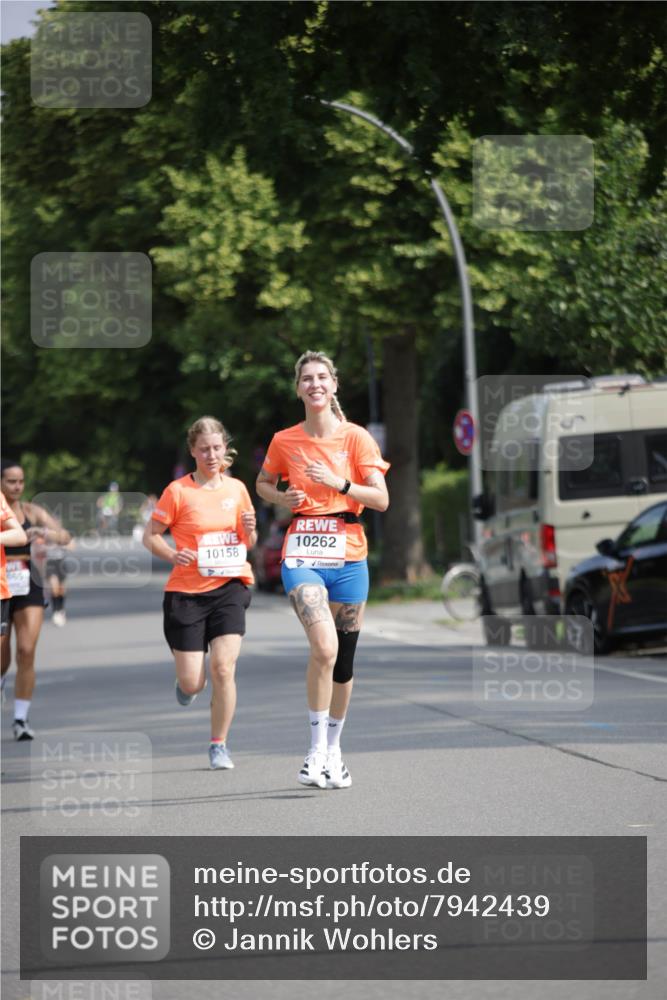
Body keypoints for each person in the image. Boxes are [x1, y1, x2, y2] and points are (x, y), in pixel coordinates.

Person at [256, 351, 389, 789]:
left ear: (334, 386)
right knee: (325, 647)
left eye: (322, 377)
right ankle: (314, 752)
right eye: (307, 379)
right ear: (298, 389)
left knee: (344, 662)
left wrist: (340, 484)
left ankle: (335, 750)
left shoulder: (357, 439)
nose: (314, 384)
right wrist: (280, 498)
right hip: (303, 552)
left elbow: (381, 499)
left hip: (350, 554)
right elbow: (264, 482)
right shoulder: (284, 440)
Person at [143, 417, 257, 770]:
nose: (211, 455)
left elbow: (247, 543)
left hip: (230, 586)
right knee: (194, 682)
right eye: (204, 449)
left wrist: (250, 531)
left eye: (217, 448)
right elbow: (151, 536)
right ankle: (188, 684)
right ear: (192, 450)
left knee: (224, 668)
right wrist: (173, 554)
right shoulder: (178, 491)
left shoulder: (237, 489)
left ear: (225, 448)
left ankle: (218, 744)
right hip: (186, 593)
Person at [1, 459, 71, 740]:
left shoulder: (31, 510)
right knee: (2, 658)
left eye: (21, 481)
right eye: (11, 481)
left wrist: (43, 532)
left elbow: (65, 536)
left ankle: (20, 719)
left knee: (27, 652)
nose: (17, 486)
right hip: (2, 583)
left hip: (27, 583)